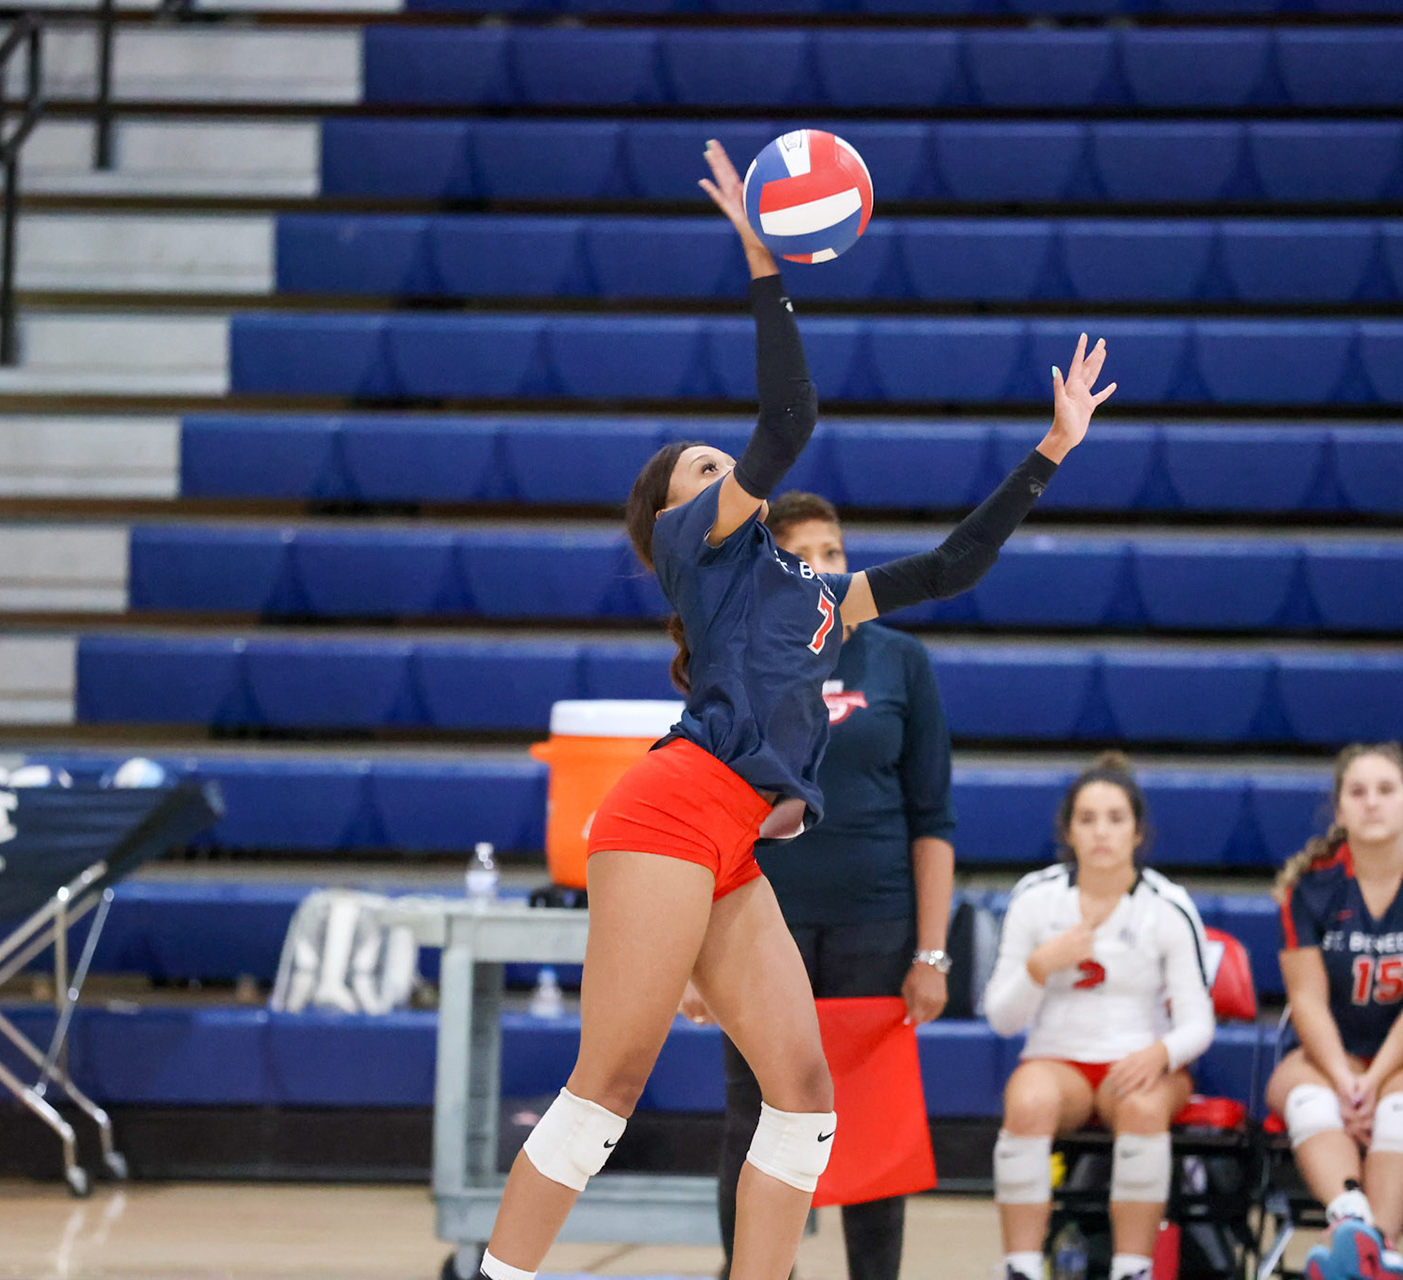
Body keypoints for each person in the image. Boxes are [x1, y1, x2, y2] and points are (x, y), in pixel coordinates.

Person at [470, 138, 1115, 1280]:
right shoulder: (697, 545)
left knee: (806, 1096)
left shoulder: (814, 594)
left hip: (732, 840)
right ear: (675, 515)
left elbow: (951, 567)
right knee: (608, 1084)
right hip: (671, 813)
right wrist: (764, 260)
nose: (722, 467)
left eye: (717, 461)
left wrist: (1050, 452)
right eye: (701, 465)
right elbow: (790, 416)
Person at [677, 490, 957, 1280]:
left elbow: (933, 817)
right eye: (803, 555)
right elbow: (705, 813)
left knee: (871, 1124)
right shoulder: (739, 661)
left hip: (877, 925)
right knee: (756, 1119)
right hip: (761, 923)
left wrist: (931, 954)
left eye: (833, 551)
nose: (824, 566)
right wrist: (694, 955)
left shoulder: (901, 661)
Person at [981, 753, 1216, 1280]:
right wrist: (1040, 967)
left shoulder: (1167, 906)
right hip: (1057, 1061)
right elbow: (1001, 1019)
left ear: (1138, 832)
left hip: (1138, 1060)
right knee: (1028, 1100)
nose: (1102, 832)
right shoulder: (1036, 899)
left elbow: (1199, 1023)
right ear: (1068, 831)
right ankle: (1021, 1266)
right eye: (1087, 819)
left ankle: (1132, 1268)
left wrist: (1160, 1053)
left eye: (1115, 818)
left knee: (1142, 1107)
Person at [1264, 743, 1403, 1280]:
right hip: (1329, 1051)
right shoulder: (1308, 885)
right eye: (1356, 792)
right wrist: (1344, 1079)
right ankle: (1358, 1227)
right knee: (1308, 1098)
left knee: (1400, 1106)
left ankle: (1367, 1248)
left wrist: (1374, 1081)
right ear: (1339, 811)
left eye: (1386, 789)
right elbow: (1306, 1000)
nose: (1371, 802)